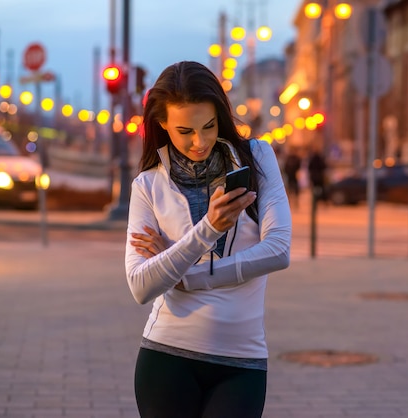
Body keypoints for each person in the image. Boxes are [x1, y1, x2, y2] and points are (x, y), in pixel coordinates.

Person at [125, 61, 292, 418]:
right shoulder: (148, 186)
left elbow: (278, 250)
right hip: (165, 356)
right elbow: (141, 286)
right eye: (185, 130)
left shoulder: (258, 158)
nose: (199, 141)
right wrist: (209, 229)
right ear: (162, 123)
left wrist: (182, 275)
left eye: (209, 126)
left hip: (242, 361)